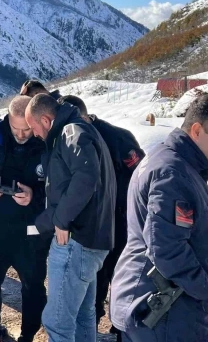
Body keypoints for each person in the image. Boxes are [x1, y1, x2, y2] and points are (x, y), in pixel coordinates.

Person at [110, 94, 208, 342]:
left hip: (154, 305)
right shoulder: (173, 174)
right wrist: (205, 288)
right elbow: (167, 248)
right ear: (197, 130)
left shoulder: (170, 160)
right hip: (163, 314)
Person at [24, 94, 117, 342]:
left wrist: (61, 220)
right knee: (82, 317)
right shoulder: (86, 131)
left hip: (76, 241)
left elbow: (86, 177)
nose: (33, 134)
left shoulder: (71, 132)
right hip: (93, 241)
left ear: (45, 120)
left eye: (33, 127)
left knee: (57, 322)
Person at [58, 95, 145, 334]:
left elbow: (142, 177)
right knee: (91, 282)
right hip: (87, 224)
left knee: (123, 278)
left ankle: (122, 330)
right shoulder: (64, 137)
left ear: (84, 116)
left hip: (120, 221)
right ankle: (90, 331)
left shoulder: (117, 137)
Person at [0, 96, 49, 342]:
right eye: (16, 128)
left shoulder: (45, 141)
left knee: (33, 288)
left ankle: (27, 335)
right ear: (8, 119)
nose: (23, 134)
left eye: (27, 128)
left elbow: (58, 186)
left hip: (30, 233)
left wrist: (34, 196)